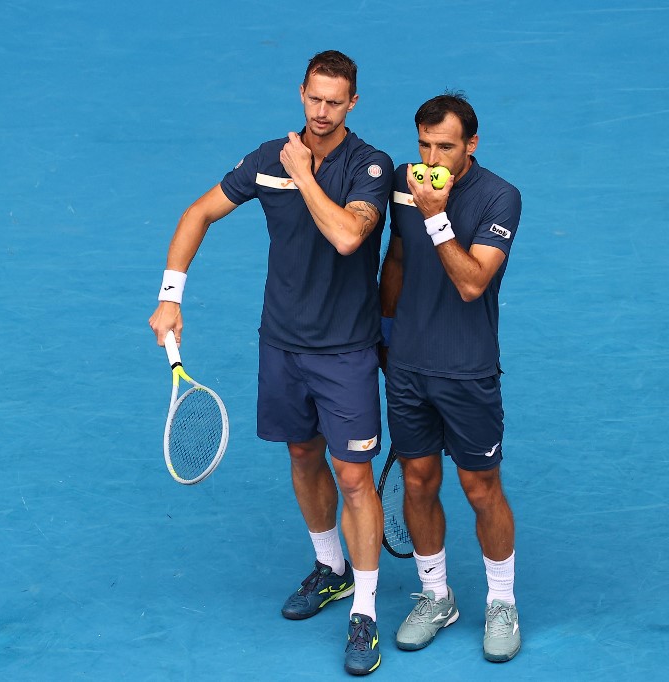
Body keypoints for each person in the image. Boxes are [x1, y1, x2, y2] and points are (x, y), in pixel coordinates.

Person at [149, 50, 392, 676]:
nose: (320, 111)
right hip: (281, 344)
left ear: (353, 104)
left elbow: (346, 237)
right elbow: (197, 213)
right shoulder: (266, 159)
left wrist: (304, 175)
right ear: (302, 92)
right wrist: (170, 298)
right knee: (303, 456)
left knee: (355, 477)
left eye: (334, 101)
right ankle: (330, 568)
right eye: (313, 98)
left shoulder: (371, 166)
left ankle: (364, 610)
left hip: (345, 351)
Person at [378, 93, 523, 662]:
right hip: (408, 367)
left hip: (466, 370)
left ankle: (502, 601)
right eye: (424, 145)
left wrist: (434, 213)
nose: (431, 158)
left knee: (480, 488)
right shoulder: (401, 180)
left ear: (471, 145)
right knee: (417, 482)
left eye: (445, 146)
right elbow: (397, 257)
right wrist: (384, 335)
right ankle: (436, 595)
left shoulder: (499, 197)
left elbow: (471, 282)